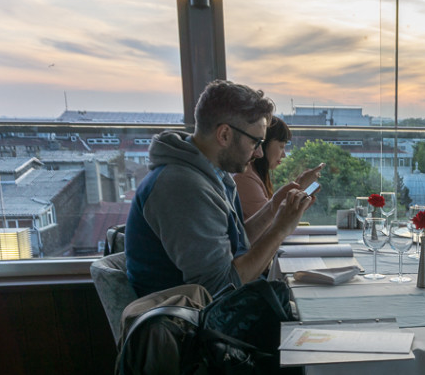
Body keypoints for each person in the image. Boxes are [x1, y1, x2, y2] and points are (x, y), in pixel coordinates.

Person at [126, 79, 315, 297]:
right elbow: (221, 289)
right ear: (224, 135)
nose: (259, 154)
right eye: (255, 142)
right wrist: (280, 229)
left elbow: (237, 246)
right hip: (195, 325)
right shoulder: (183, 188)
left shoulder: (211, 174)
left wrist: (273, 209)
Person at [233, 116, 322, 220]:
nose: (284, 155)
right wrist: (299, 186)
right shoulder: (245, 178)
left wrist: (298, 200)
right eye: (281, 146)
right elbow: (269, 224)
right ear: (265, 143)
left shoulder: (255, 175)